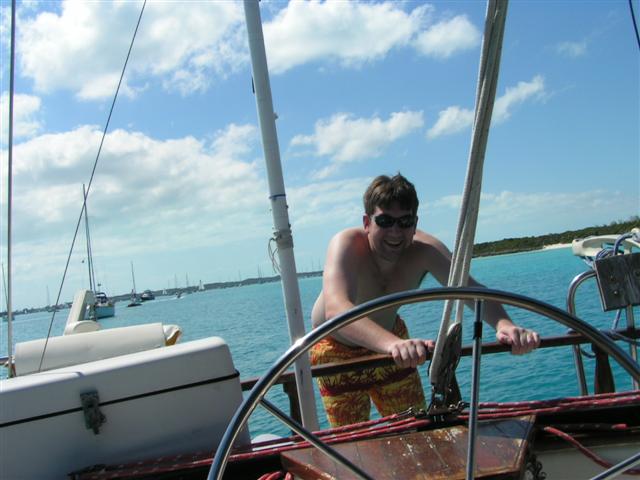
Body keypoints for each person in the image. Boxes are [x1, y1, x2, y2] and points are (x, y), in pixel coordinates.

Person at [310, 173, 540, 427]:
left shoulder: (426, 250)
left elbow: (471, 290)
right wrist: (394, 345)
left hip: (393, 342)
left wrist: (504, 324)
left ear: (415, 223)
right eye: (385, 221)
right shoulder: (346, 244)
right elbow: (337, 310)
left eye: (405, 221)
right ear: (367, 222)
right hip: (337, 350)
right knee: (351, 440)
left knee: (415, 429)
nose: (395, 231)